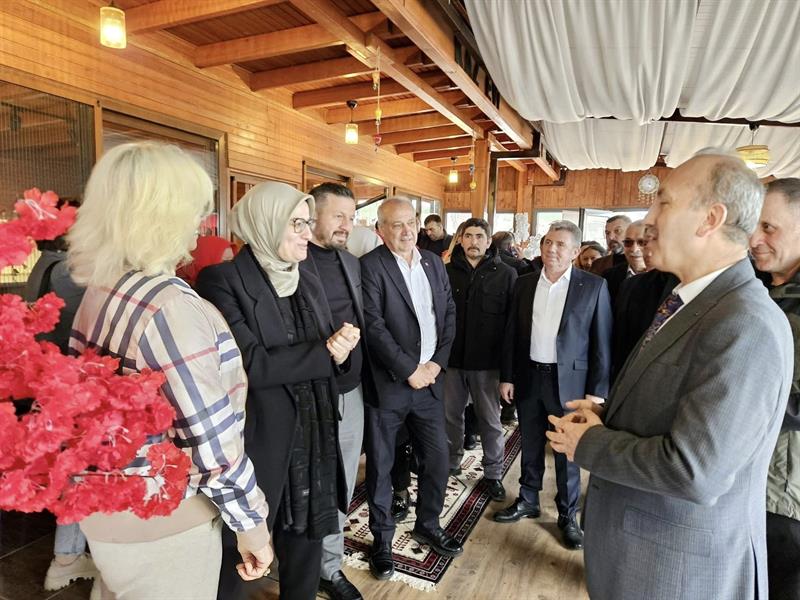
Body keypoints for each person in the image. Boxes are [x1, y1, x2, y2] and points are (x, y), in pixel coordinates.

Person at [548, 151, 793, 600]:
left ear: (711, 219)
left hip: (677, 572)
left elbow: (695, 471)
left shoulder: (744, 324)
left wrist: (589, 442)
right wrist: (608, 414)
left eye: (663, 203)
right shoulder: (693, 301)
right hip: (641, 556)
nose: (647, 221)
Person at [66, 142, 272, 599]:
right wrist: (252, 525)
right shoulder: (170, 307)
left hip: (107, 510)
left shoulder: (103, 288)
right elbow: (210, 441)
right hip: (164, 520)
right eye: (195, 207)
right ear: (163, 215)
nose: (202, 220)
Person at [196, 182, 352, 600]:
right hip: (259, 445)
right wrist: (325, 353)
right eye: (296, 223)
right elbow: (250, 363)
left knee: (304, 557)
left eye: (307, 222)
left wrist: (341, 353)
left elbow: (328, 354)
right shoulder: (222, 281)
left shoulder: (306, 278)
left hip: (313, 440)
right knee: (237, 568)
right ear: (265, 224)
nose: (307, 233)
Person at [495, 220, 612, 551]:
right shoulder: (524, 283)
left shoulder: (593, 286)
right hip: (530, 376)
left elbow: (602, 343)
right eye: (548, 242)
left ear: (575, 252)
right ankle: (528, 499)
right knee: (530, 441)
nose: (552, 249)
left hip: (571, 384)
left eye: (561, 244)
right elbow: (512, 333)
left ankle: (567, 514)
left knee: (567, 450)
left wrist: (595, 394)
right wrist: (507, 376)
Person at [360, 197, 459, 580]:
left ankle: (428, 524)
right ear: (380, 230)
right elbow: (373, 326)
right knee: (382, 465)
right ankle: (382, 540)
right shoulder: (370, 266)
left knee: (437, 458)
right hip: (390, 385)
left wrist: (435, 364)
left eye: (410, 222)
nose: (406, 231)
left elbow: (448, 313)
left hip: (430, 382)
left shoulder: (433, 262)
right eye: (396, 225)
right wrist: (408, 370)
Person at [306, 182, 372, 600]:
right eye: (338, 217)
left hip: (351, 390)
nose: (347, 225)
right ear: (313, 214)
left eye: (351, 217)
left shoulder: (351, 263)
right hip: (308, 393)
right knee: (306, 483)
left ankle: (329, 568)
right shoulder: (291, 260)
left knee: (342, 482)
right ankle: (296, 561)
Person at [25, 237, 99, 593]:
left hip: (50, 380)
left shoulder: (43, 265)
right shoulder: (69, 272)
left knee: (72, 468)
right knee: (81, 470)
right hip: (71, 383)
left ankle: (68, 555)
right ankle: (67, 558)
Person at [749, 177, 800, 600]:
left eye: (768, 227)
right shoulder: (763, 290)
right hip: (749, 482)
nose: (754, 239)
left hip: (786, 495)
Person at [445, 218, 517, 501]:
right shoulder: (446, 272)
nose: (473, 241)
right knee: (450, 417)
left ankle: (493, 473)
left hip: (488, 363)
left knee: (490, 420)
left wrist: (508, 372)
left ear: (489, 242)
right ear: (461, 239)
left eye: (479, 236)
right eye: (468, 236)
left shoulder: (507, 274)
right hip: (451, 360)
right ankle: (451, 462)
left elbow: (511, 327)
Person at [602, 220, 647, 304]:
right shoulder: (609, 276)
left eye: (642, 242)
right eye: (628, 242)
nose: (634, 249)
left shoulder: (666, 278)